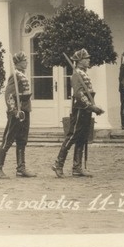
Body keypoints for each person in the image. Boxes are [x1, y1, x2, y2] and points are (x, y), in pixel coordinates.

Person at [52, 49, 105, 178]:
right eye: (86, 58)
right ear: (79, 61)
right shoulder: (76, 75)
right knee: (72, 136)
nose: (88, 60)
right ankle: (58, 164)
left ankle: (77, 167)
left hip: (86, 109)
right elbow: (79, 94)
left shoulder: (83, 73)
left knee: (82, 138)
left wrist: (93, 107)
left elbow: (88, 93)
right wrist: (91, 107)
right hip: (80, 109)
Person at [0, 52, 35, 179]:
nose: (26, 62)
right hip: (16, 113)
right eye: (24, 61)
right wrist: (14, 111)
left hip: (24, 111)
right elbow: (9, 95)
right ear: (18, 63)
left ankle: (21, 168)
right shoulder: (14, 76)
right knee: (8, 140)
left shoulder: (22, 75)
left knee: (22, 140)